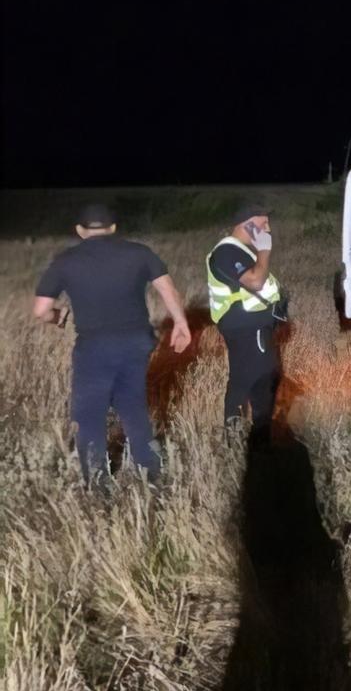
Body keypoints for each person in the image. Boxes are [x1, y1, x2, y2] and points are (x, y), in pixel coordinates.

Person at [32, 203, 191, 484]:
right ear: (113, 228)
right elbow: (167, 288)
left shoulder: (66, 260)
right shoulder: (139, 253)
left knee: (89, 414)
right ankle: (151, 473)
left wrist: (58, 316)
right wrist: (180, 323)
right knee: (133, 406)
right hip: (136, 344)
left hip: (94, 348)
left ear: (80, 230)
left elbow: (40, 310)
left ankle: (97, 484)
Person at [207, 203, 283, 433]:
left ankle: (239, 437)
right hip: (247, 329)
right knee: (257, 382)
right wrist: (265, 250)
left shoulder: (239, 250)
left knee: (244, 379)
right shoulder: (226, 251)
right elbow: (255, 281)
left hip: (251, 327)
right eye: (263, 224)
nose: (268, 229)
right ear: (247, 225)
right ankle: (255, 438)